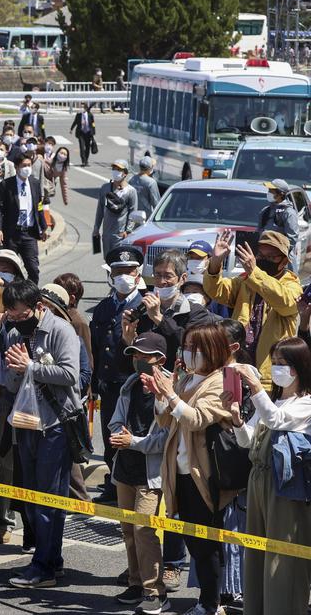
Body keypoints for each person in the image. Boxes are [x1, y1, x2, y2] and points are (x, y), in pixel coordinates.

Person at [143, 323, 237, 615]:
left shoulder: (220, 381)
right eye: (186, 347)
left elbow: (197, 419)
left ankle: (211, 604)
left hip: (203, 475)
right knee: (193, 541)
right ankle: (211, 600)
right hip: (179, 471)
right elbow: (167, 422)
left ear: (212, 350)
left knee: (205, 544)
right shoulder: (187, 379)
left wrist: (170, 396)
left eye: (194, 348)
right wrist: (160, 396)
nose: (188, 353)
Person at [0, 280, 80, 589]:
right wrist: (16, 370)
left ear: (38, 307)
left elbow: (71, 375)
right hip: (26, 423)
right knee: (31, 497)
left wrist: (31, 366)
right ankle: (49, 560)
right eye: (12, 316)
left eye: (20, 314)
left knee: (49, 498)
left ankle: (44, 565)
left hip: (55, 424)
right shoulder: (17, 333)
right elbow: (9, 379)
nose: (15, 321)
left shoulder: (60, 331)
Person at [228, 338, 311, 615]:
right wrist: (239, 422)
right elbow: (248, 440)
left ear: (299, 367)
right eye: (274, 363)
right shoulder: (274, 400)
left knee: (282, 557)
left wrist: (253, 387)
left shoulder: (306, 403)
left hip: (286, 486)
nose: (276, 369)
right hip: (258, 480)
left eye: (282, 364)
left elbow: (276, 420)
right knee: (256, 551)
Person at [108, 332, 170, 614]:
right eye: (135, 355)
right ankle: (135, 583)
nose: (138, 361)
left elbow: (167, 439)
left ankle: (154, 590)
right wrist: (117, 432)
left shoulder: (169, 389)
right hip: (125, 469)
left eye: (144, 356)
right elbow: (115, 420)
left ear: (160, 359)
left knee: (144, 531)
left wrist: (132, 441)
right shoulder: (130, 384)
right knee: (128, 530)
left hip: (150, 474)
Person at [203, 229, 302, 389]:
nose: (263, 260)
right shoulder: (245, 280)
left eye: (271, 257)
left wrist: (254, 272)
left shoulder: (291, 284)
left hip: (270, 377)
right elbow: (216, 291)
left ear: (284, 261)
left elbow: (286, 302)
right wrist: (215, 262)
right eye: (261, 256)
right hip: (238, 367)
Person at [90, 246, 145, 504]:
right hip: (108, 384)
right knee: (109, 436)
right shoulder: (103, 308)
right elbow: (96, 348)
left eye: (129, 271)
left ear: (138, 273)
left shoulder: (145, 306)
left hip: (133, 382)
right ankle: (113, 483)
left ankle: (131, 484)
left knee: (130, 434)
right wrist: (93, 382)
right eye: (118, 271)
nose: (124, 276)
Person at [0, 153, 47, 283]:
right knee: (10, 268)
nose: (27, 168)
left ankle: (30, 295)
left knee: (33, 268)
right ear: (17, 167)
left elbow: (39, 207)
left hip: (29, 233)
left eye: (29, 165)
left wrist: (44, 227)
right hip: (12, 233)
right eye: (24, 166)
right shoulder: (7, 185)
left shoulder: (34, 183)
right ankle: (11, 295)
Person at [93, 159, 137, 255]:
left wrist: (128, 231)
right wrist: (96, 228)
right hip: (107, 234)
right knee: (108, 260)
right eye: (114, 168)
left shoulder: (131, 191)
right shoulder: (105, 188)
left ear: (125, 173)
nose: (115, 171)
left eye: (119, 169)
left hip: (121, 234)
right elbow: (100, 209)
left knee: (118, 262)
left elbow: (133, 213)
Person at [257, 179, 300, 271]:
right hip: (264, 259)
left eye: (271, 191)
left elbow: (292, 238)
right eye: (269, 191)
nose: (269, 193)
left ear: (281, 194)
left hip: (281, 260)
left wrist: (277, 255)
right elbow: (259, 233)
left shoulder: (289, 213)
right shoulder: (265, 211)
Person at [70, 102, 95, 167]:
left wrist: (93, 132)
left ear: (86, 108)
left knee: (87, 147)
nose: (81, 109)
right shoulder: (78, 115)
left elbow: (93, 124)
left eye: (82, 107)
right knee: (81, 147)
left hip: (88, 133)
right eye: (80, 107)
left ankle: (86, 160)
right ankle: (83, 161)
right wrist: (71, 129)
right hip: (81, 133)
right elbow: (75, 122)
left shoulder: (90, 115)